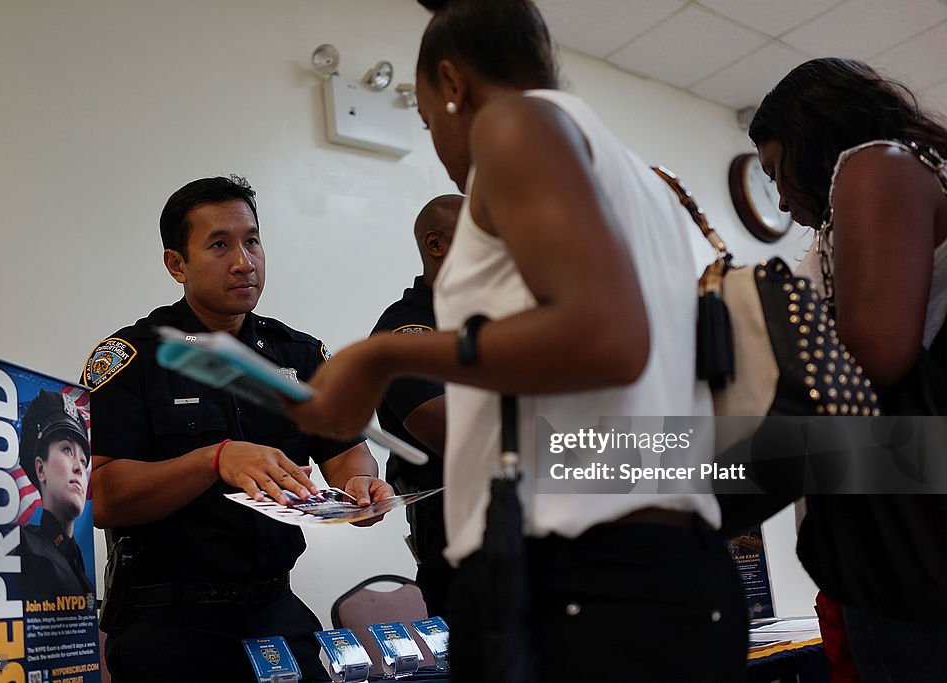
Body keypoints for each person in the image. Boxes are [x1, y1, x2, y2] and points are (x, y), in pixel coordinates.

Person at [286, 1, 748, 680]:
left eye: (426, 123)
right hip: (677, 568)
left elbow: (609, 339)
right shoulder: (646, 182)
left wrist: (381, 355)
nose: (442, 155)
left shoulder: (515, 121)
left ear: (453, 85)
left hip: (575, 584)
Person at [85, 175, 395, 683]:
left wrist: (360, 484)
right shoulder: (131, 358)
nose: (243, 261)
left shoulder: (298, 355)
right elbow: (102, 497)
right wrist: (213, 459)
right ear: (176, 264)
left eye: (252, 240)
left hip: (274, 609)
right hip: (170, 623)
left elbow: (346, 453)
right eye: (219, 244)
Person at [749, 57, 947, 681]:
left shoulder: (874, 164)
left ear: (813, 135)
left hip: (909, 497)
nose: (781, 198)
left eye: (777, 173)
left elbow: (875, 360)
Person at [370, 194, 462, 619]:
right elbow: (456, 433)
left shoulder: (500, 323)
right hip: (462, 547)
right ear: (436, 244)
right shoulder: (407, 328)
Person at [17, 389, 95, 601]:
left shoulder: (76, 559)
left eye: (83, 460)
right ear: (40, 469)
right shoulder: (23, 548)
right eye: (67, 450)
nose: (79, 468)